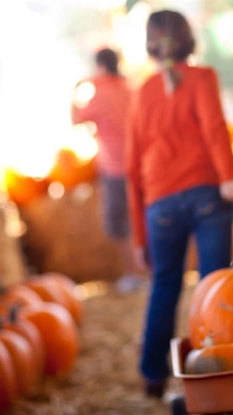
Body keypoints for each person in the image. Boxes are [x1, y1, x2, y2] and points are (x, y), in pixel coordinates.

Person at [126, 9, 233, 399]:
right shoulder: (202, 77)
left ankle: (152, 375)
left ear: (151, 44)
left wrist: (139, 237)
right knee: (212, 285)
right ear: (188, 39)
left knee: (164, 283)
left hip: (158, 204)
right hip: (205, 194)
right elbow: (214, 127)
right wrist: (230, 178)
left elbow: (132, 169)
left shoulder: (141, 94)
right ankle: (214, 373)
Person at [71, 48, 145, 293]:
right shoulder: (131, 90)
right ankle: (150, 270)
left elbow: (76, 120)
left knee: (119, 223)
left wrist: (76, 89)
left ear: (100, 67)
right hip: (140, 165)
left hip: (115, 169)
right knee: (142, 219)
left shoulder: (100, 95)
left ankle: (132, 274)